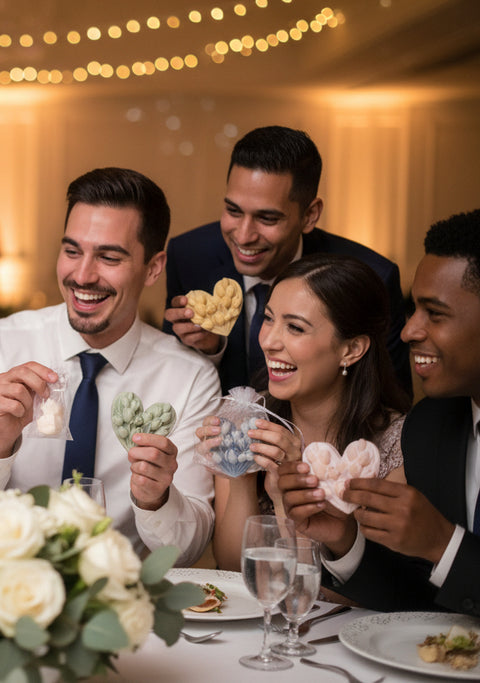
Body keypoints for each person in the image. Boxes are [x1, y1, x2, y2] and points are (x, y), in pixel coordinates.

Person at [0, 167, 219, 566]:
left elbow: (188, 550)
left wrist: (156, 498)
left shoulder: (190, 379)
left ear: (154, 267)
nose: (83, 276)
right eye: (72, 251)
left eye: (109, 257)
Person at [280, 210, 480, 616]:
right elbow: (421, 603)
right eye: (413, 310)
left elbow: (447, 560)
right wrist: (344, 540)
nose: (408, 332)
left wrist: (445, 544)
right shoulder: (431, 426)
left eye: (435, 313)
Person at [163, 126, 411, 395]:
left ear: (310, 215)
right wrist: (210, 349)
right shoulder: (188, 256)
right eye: (233, 211)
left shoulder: (373, 276)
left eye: (267, 218)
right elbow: (170, 385)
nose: (244, 236)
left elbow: (390, 401)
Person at [206, 254, 411, 571]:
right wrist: (243, 474)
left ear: (351, 349)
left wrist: (284, 495)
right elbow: (235, 570)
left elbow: (366, 592)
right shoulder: (244, 417)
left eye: (295, 327)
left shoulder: (395, 444)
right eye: (269, 318)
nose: (269, 341)